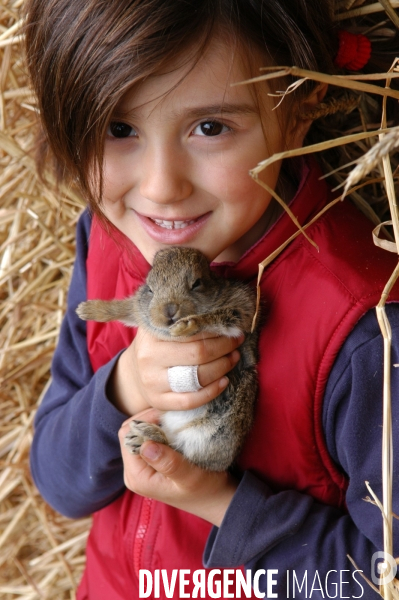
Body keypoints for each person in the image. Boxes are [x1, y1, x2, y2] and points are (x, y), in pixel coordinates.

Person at [24, 0, 399, 598]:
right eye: (120, 129)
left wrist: (219, 502)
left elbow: (385, 580)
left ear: (299, 110)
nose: (161, 187)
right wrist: (124, 388)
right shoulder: (108, 243)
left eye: (210, 127)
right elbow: (59, 482)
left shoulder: (363, 329)